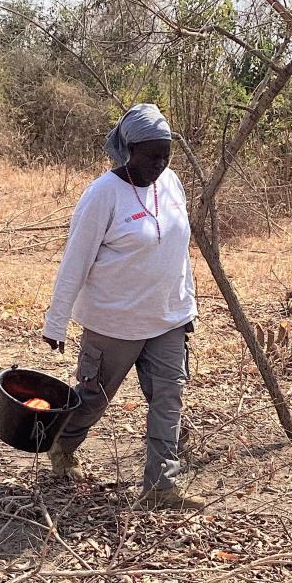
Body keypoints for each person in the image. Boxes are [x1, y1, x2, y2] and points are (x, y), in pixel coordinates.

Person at [42, 103, 202, 510]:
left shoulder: (172, 184)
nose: (160, 164)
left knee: (168, 398)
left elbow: (179, 252)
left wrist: (188, 306)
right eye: (151, 155)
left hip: (167, 318)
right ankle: (63, 444)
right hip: (113, 322)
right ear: (128, 150)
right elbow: (75, 261)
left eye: (166, 155)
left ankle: (160, 487)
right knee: (93, 398)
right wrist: (56, 322)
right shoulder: (103, 195)